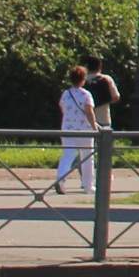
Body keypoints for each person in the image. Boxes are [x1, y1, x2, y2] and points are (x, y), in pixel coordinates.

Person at [55, 65, 96, 197]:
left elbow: (62, 108)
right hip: (85, 130)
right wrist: (94, 127)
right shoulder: (86, 94)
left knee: (68, 155)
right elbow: (89, 112)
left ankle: (61, 179)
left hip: (67, 129)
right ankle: (88, 185)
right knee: (87, 157)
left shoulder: (65, 94)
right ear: (83, 79)